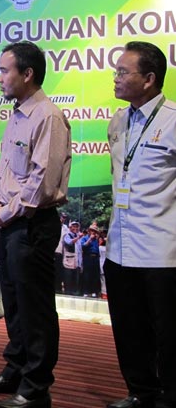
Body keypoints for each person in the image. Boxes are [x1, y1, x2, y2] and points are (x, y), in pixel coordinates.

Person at [0, 41, 71, 408]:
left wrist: (6, 212)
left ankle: (36, 387)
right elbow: (11, 171)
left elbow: (42, 184)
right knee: (12, 303)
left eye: (3, 70)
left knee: (35, 309)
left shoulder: (47, 116)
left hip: (33, 224)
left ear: (27, 74)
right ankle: (14, 370)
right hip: (12, 222)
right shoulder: (17, 112)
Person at [105, 41, 176, 408]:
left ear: (149, 79)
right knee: (128, 330)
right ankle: (140, 392)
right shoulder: (118, 120)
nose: (115, 78)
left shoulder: (173, 119)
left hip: (162, 250)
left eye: (122, 72)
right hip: (119, 247)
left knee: (167, 334)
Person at [79, 222, 101, 297]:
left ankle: (94, 291)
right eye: (92, 230)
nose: (93, 232)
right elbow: (83, 246)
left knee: (94, 275)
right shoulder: (84, 238)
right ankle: (86, 291)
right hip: (87, 257)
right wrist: (89, 240)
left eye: (94, 231)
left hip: (95, 258)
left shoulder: (96, 239)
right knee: (87, 275)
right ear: (89, 230)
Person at [61, 221, 82, 296]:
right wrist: (78, 237)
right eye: (74, 226)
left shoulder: (79, 237)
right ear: (70, 227)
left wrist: (80, 264)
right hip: (68, 262)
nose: (75, 228)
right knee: (68, 281)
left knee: (75, 282)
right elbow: (69, 242)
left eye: (77, 226)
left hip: (76, 263)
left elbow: (79, 251)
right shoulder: (67, 235)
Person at [53, 212, 68, 293]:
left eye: (64, 218)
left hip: (61, 251)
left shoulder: (65, 228)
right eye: (62, 217)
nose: (63, 219)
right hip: (54, 250)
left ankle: (58, 288)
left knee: (59, 271)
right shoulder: (54, 225)